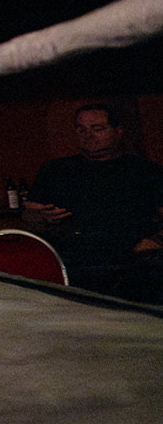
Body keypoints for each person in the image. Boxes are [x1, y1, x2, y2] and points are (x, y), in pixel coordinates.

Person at [22, 103, 163, 296]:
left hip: (128, 262)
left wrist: (154, 241)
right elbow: (29, 215)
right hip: (70, 261)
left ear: (118, 131)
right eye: (81, 129)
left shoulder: (146, 171)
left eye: (97, 129)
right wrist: (37, 217)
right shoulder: (55, 170)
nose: (88, 135)